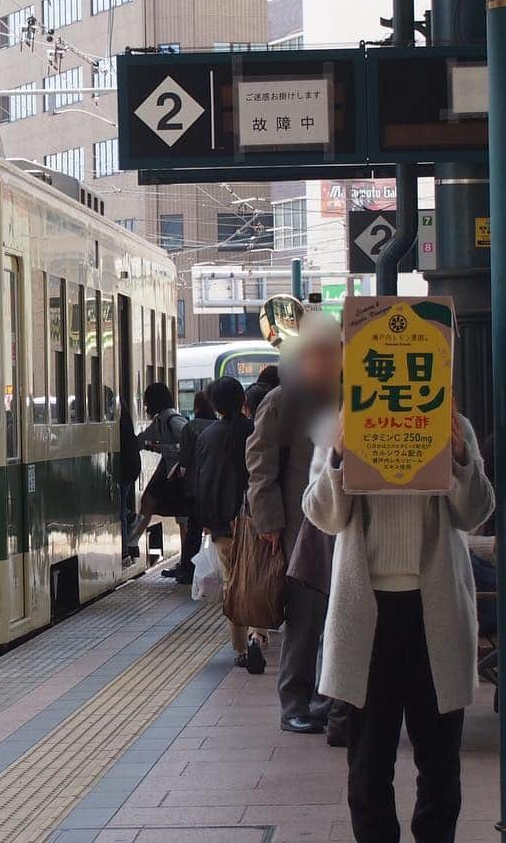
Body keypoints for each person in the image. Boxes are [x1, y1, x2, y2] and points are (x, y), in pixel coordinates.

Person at [303, 409, 494, 843]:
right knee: (368, 767)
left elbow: (477, 512)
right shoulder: (344, 422)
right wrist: (337, 453)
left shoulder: (453, 424)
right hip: (367, 616)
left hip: (437, 611)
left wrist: (460, 457)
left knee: (440, 766)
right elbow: (322, 516)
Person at [246, 314, 342, 734]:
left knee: (335, 616)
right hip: (296, 524)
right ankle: (295, 702)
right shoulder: (282, 401)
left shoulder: (349, 397)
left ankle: (325, 697)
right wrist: (269, 523)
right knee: (304, 618)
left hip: (340, 521)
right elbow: (260, 466)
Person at [194, 377, 265, 674]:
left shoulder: (207, 437)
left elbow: (202, 484)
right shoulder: (255, 432)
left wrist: (208, 523)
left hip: (224, 526)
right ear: (244, 402)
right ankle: (257, 636)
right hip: (258, 522)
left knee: (232, 584)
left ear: (214, 405)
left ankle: (239, 648)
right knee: (257, 580)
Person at [127, 382, 188, 549]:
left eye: (147, 402)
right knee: (148, 500)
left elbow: (189, 444)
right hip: (169, 471)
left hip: (179, 473)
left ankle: (187, 561)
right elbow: (143, 438)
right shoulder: (160, 421)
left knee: (183, 519)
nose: (145, 406)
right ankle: (133, 539)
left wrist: (162, 448)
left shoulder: (172, 420)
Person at [174, 390, 216, 583]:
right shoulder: (219, 426)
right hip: (217, 488)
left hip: (195, 487)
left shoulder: (190, 427)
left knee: (194, 530)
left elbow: (183, 461)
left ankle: (189, 570)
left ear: (196, 407)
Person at [118, 403, 143, 555]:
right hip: (130, 468)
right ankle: (132, 517)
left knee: (119, 509)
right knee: (120, 507)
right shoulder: (126, 422)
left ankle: (125, 549)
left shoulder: (121, 425)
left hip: (125, 470)